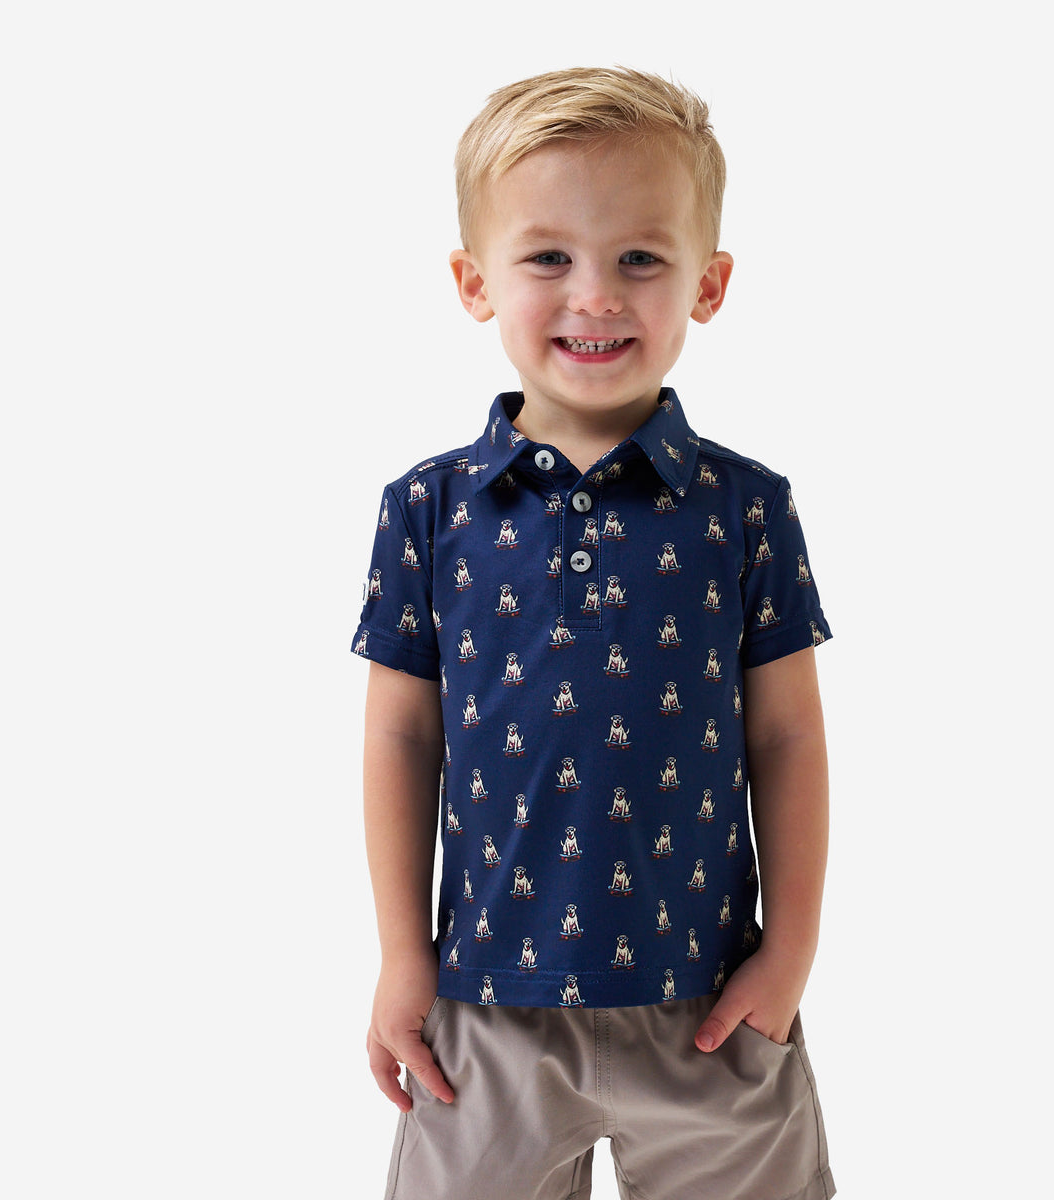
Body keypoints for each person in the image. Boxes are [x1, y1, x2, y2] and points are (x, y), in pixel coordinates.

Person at [352, 66, 836, 1200]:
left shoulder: (745, 508)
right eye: (548, 258)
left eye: (640, 259)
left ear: (708, 284)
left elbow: (788, 740)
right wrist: (402, 955)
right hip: (486, 1006)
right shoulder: (427, 509)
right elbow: (401, 740)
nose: (597, 296)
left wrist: (789, 952)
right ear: (475, 282)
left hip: (711, 1005)